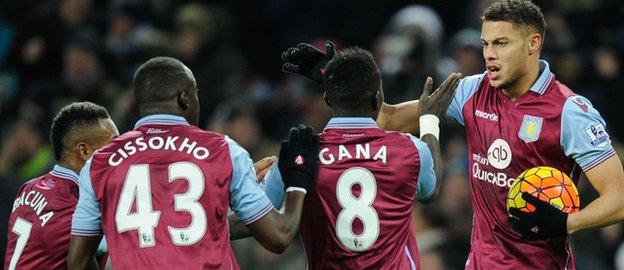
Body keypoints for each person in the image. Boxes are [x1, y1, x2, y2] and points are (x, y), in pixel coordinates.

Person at [282, 1, 624, 268]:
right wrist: (335, 78)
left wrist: (567, 224)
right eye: (486, 43)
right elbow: (388, 118)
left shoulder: (569, 112)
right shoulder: (472, 91)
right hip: (479, 263)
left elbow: (618, 198)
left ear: (534, 43)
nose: (489, 53)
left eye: (502, 43)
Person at [67, 56, 319, 269]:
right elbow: (278, 237)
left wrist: (218, 195)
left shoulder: (99, 162)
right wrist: (297, 182)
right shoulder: (223, 151)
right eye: (196, 95)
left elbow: (77, 262)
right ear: (185, 98)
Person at [277, 46, 460, 268]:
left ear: (326, 99)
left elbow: (256, 217)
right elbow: (430, 191)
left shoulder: (300, 154)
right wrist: (430, 121)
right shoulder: (410, 150)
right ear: (378, 98)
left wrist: (341, 81)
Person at [4, 102, 118, 270]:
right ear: (84, 152)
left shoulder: (28, 187)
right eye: (113, 145)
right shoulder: (73, 206)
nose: (121, 152)